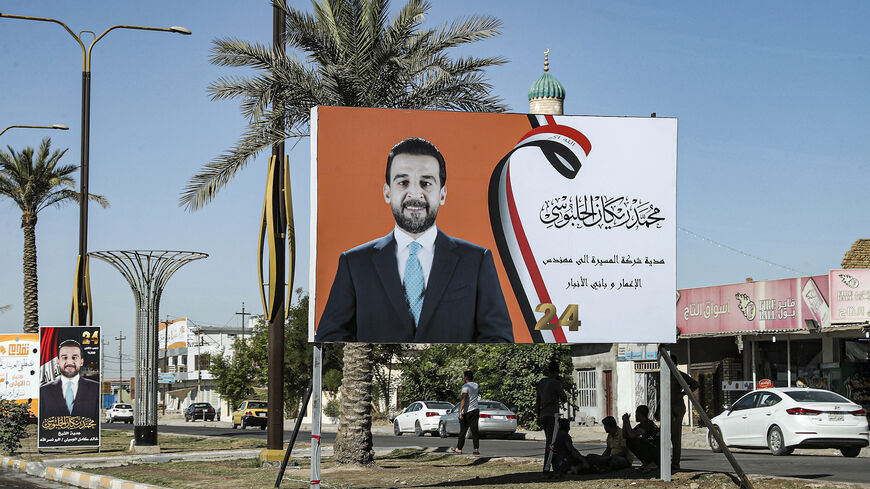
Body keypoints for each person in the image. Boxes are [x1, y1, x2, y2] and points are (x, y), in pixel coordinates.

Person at [314, 137, 513, 343]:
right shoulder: (355, 263)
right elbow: (330, 337)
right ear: (387, 193)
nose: (415, 193)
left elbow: (499, 337)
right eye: (403, 182)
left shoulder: (477, 260)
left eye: (426, 183)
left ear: (442, 194)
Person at [39, 339, 99, 421]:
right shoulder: (44, 391)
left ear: (81, 362)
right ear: (58, 361)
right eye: (65, 357)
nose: (70, 362)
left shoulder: (95, 389)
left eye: (74, 357)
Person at [666, 353, 699, 470]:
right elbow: (662, 394)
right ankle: (664, 462)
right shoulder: (664, 375)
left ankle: (675, 463)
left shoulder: (679, 375)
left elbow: (695, 384)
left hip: (676, 409)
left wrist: (683, 393)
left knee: (675, 438)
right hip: (666, 409)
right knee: (665, 437)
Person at [536, 360, 566, 473]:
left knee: (550, 441)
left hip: (543, 414)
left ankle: (555, 466)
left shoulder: (542, 382)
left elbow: (537, 400)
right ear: (557, 372)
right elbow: (564, 397)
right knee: (551, 443)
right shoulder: (555, 382)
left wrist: (538, 416)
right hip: (552, 415)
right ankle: (546, 468)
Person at [622, 404, 660, 472]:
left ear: (639, 414)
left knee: (638, 440)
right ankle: (647, 463)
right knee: (629, 441)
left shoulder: (648, 424)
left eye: (636, 413)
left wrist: (628, 422)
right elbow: (625, 436)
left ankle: (652, 463)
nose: (635, 416)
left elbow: (632, 435)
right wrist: (624, 423)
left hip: (658, 453)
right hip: (653, 450)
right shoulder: (640, 425)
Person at [452, 370, 480, 455]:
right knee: (474, 430)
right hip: (475, 410)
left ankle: (459, 449)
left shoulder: (465, 386)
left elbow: (464, 398)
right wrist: (468, 372)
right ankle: (476, 449)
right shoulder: (476, 385)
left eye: (464, 376)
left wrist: (460, 411)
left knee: (463, 431)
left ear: (466, 377)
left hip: (467, 412)